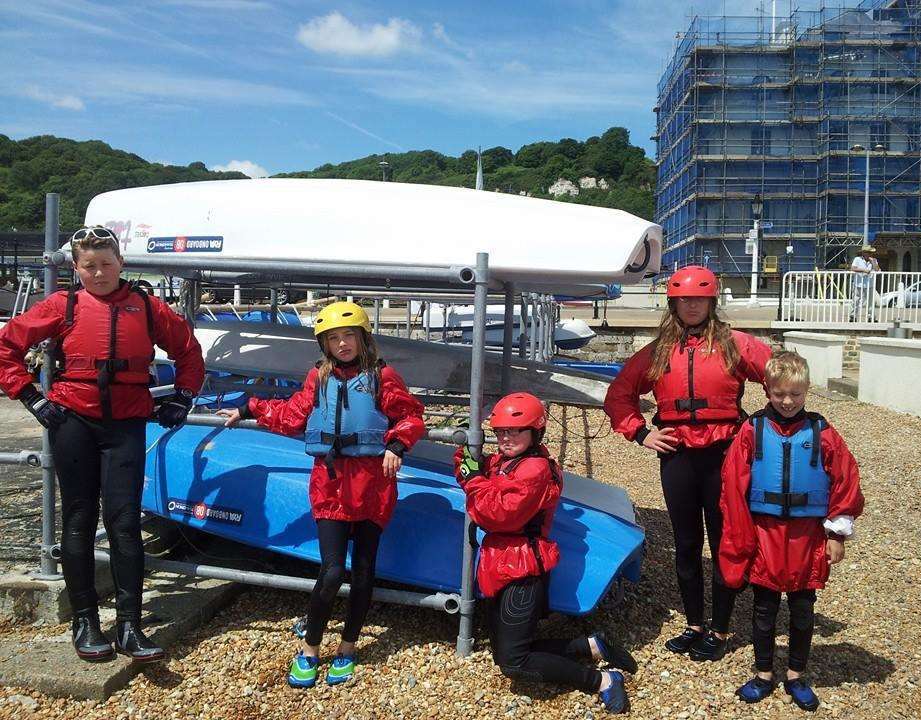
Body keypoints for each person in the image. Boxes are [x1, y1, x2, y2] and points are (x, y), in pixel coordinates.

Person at [0, 226, 204, 663]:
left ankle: (130, 625)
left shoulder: (148, 308)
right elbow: (7, 347)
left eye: (106, 264)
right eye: (89, 266)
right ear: (76, 268)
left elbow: (189, 350)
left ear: (121, 264)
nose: (98, 273)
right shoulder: (62, 305)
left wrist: (183, 397)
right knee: (77, 517)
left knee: (125, 522)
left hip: (125, 424)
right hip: (72, 419)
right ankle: (85, 621)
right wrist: (31, 397)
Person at [218, 301, 424, 688]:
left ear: (363, 338)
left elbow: (411, 416)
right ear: (324, 344)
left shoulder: (384, 377)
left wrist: (397, 445)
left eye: (349, 336)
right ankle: (311, 649)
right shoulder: (318, 377)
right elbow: (292, 415)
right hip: (329, 484)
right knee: (331, 571)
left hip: (373, 487)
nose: (342, 343)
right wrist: (248, 407)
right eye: (333, 338)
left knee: (363, 572)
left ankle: (347, 648)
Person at [604, 265, 771, 662]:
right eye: (683, 300)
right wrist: (641, 433)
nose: (691, 305)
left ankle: (721, 628)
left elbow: (783, 380)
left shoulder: (736, 344)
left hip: (723, 456)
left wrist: (764, 431)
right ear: (673, 303)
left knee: (724, 541)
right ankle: (694, 623)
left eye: (698, 298)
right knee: (687, 544)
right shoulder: (659, 350)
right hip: (677, 455)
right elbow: (619, 394)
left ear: (711, 301)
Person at [454, 392, 637, 714]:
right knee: (507, 653)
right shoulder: (502, 460)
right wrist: (467, 455)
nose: (506, 438)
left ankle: (602, 681)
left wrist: (474, 482)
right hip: (499, 563)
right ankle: (590, 646)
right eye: (500, 432)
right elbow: (471, 468)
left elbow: (499, 514)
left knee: (514, 664)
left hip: (522, 567)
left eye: (515, 431)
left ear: (535, 432)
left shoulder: (535, 469)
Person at [718, 351, 864, 711]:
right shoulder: (751, 430)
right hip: (764, 534)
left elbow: (846, 482)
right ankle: (763, 673)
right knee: (764, 609)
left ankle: (796, 674)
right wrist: (740, 538)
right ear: (767, 389)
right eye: (779, 393)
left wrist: (836, 534)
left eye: (795, 395)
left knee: (802, 610)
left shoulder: (823, 433)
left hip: (807, 537)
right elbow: (732, 486)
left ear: (807, 390)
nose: (787, 402)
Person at [849, 245, 879, 321]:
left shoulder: (874, 260)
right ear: (863, 253)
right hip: (858, 283)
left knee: (870, 301)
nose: (869, 254)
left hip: (870, 284)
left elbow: (877, 270)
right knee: (855, 300)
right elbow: (853, 268)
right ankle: (853, 316)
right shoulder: (857, 259)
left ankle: (871, 317)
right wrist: (864, 270)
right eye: (868, 252)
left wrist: (873, 263)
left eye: (870, 252)